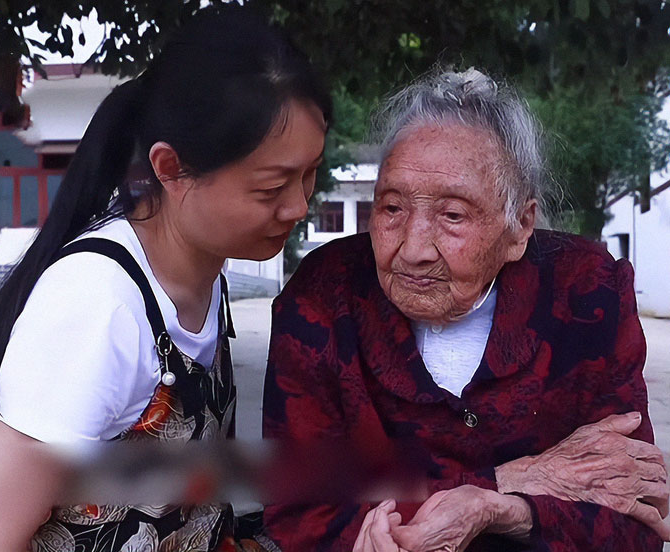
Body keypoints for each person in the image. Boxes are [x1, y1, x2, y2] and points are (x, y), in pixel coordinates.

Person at [262, 68, 669, 551]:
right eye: (391, 208)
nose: (413, 249)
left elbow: (638, 515)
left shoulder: (585, 291)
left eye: (452, 215)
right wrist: (512, 478)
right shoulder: (324, 296)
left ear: (519, 227)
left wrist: (501, 510)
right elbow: (300, 516)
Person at [0, 7, 330, 551]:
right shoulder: (97, 306)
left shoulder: (206, 279)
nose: (299, 206)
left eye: (309, 175)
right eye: (271, 188)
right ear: (170, 169)